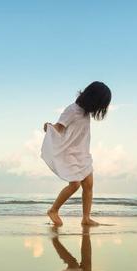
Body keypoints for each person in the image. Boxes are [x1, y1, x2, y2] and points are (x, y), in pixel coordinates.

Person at [41, 81, 112, 227]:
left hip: (83, 153)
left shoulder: (85, 113)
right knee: (74, 184)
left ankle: (86, 218)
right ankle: (53, 210)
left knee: (89, 185)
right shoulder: (72, 110)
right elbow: (59, 127)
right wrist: (49, 127)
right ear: (93, 99)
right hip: (70, 153)